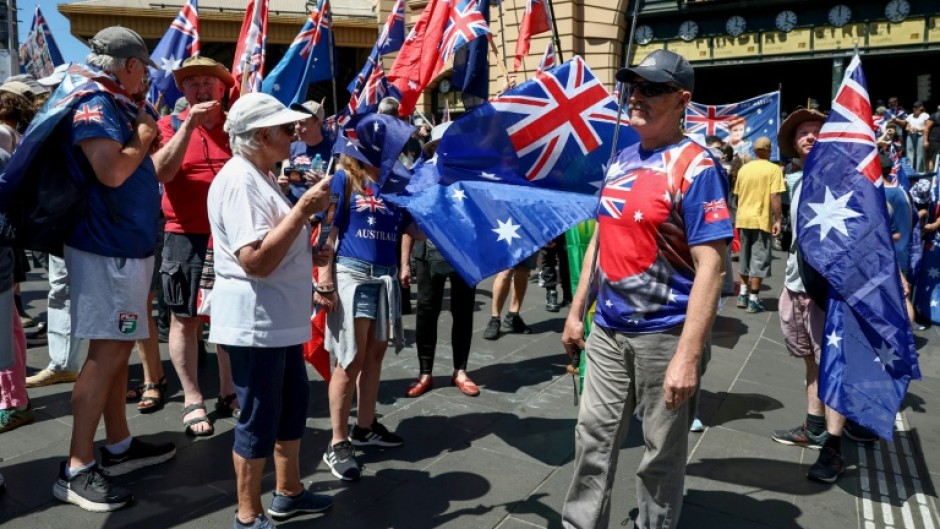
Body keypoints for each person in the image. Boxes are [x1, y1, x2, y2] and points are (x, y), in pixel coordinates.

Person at [561, 49, 730, 529]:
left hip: (666, 336)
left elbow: (712, 267)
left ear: (682, 100)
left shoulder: (697, 167)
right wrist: (578, 311)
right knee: (591, 437)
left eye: (652, 89)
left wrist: (688, 356)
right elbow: (601, 237)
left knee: (660, 454)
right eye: (634, 86)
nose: (637, 96)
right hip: (610, 332)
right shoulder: (620, 158)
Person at [52, 26, 176, 512]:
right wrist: (145, 135)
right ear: (129, 65)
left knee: (117, 350)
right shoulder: (96, 103)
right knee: (106, 353)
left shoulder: (110, 101)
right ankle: (77, 466)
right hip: (108, 251)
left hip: (124, 248)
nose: (146, 76)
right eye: (144, 67)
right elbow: (111, 170)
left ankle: (119, 446)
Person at [207, 92, 334, 528]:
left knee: (291, 404)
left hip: (278, 320)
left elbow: (274, 245)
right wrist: (302, 210)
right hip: (256, 322)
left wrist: (310, 248)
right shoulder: (241, 180)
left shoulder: (258, 175)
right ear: (262, 136)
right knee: (259, 415)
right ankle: (247, 514)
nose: (294, 133)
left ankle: (289, 491)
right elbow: (255, 261)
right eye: (285, 128)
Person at [771, 108, 875, 485]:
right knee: (811, 363)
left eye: (817, 131)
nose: (810, 137)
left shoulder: (845, 181)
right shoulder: (796, 182)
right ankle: (815, 427)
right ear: (794, 145)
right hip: (797, 287)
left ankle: (832, 447)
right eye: (803, 133)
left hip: (829, 294)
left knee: (834, 366)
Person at [317, 113, 421, 481]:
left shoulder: (395, 185)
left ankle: (364, 427)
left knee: (374, 353)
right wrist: (324, 277)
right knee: (351, 358)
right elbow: (328, 230)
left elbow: (414, 229)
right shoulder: (344, 179)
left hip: (385, 277)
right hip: (353, 274)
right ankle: (337, 441)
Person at [152, 55, 238, 434]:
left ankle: (229, 391)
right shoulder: (168, 126)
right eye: (192, 83)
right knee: (184, 319)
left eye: (209, 82)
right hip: (184, 234)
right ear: (183, 91)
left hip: (230, 237)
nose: (201, 88)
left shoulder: (237, 128)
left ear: (223, 89)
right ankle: (191, 397)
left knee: (228, 319)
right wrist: (188, 125)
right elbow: (162, 172)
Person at [400, 122, 479, 398]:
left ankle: (460, 370)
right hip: (427, 254)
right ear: (432, 147)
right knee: (425, 314)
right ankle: (425, 373)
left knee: (463, 313)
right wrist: (403, 263)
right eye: (440, 145)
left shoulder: (469, 177)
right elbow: (409, 221)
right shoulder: (421, 176)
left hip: (462, 256)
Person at [732, 136, 785, 313]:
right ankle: (753, 299)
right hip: (761, 219)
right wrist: (778, 219)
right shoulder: (774, 169)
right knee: (759, 259)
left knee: (744, 257)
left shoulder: (744, 170)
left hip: (743, 218)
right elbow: (775, 196)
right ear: (769, 151)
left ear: (755, 151)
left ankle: (743, 293)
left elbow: (737, 195)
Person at [279, 100, 333, 204]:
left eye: (302, 123)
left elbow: (340, 194)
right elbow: (284, 188)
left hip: (318, 215)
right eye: (295, 123)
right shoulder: (290, 148)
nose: (297, 127)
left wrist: (325, 186)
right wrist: (283, 187)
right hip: (291, 210)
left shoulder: (334, 152)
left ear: (317, 124)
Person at [482, 258, 536, 340]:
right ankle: (495, 319)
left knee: (523, 270)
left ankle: (513, 316)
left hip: (528, 244)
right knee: (505, 270)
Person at [899, 101, 929, 173]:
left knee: (920, 154)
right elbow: (906, 127)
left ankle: (920, 172)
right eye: (913, 107)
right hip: (910, 135)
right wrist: (909, 128)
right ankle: (910, 171)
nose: (914, 108)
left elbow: (926, 127)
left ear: (921, 108)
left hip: (920, 135)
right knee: (909, 153)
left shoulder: (925, 115)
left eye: (916, 107)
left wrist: (918, 129)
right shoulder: (910, 116)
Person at [924, 104, 940, 173]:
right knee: (932, 158)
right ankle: (930, 174)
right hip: (934, 140)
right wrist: (925, 141)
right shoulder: (934, 116)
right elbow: (926, 128)